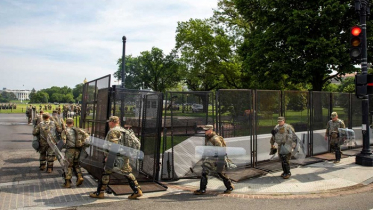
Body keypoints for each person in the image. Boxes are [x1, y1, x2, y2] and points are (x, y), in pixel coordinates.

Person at [89, 116, 143, 199]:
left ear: (112, 122)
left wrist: (108, 157)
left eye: (109, 122)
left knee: (110, 172)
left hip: (115, 156)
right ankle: (137, 190)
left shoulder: (113, 131)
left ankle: (100, 193)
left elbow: (113, 146)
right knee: (119, 172)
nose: (108, 123)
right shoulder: (123, 130)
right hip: (124, 155)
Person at [193, 125, 234, 195]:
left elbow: (221, 151)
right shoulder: (208, 138)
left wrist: (219, 161)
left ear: (210, 130)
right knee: (204, 172)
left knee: (220, 173)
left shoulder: (215, 139)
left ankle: (229, 187)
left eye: (206, 130)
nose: (205, 132)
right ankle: (202, 189)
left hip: (216, 159)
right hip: (210, 159)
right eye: (204, 130)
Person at [60, 118, 89, 188]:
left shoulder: (65, 131)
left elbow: (63, 141)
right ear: (73, 122)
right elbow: (87, 136)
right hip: (78, 150)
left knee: (68, 165)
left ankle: (67, 182)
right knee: (76, 164)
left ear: (67, 123)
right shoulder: (78, 129)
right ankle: (79, 177)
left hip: (70, 150)